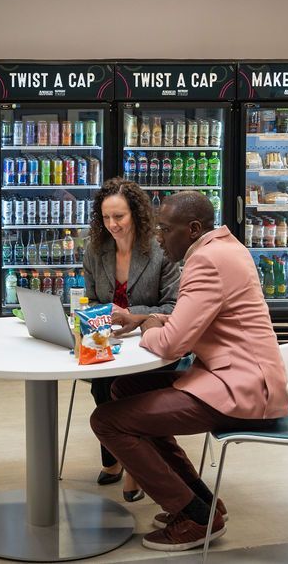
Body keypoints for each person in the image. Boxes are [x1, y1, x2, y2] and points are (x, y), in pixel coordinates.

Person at [91, 191, 288, 552]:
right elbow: (196, 317)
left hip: (243, 388)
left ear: (194, 228)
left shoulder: (206, 262)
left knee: (106, 421)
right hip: (240, 374)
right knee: (127, 388)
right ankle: (201, 500)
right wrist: (144, 319)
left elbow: (171, 345)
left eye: (166, 229)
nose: (160, 237)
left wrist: (150, 326)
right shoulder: (224, 248)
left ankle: (194, 516)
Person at [82, 178, 179, 501]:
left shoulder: (161, 251)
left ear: (136, 214)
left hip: (151, 342)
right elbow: (92, 298)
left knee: (124, 387)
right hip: (109, 341)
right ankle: (118, 458)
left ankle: (129, 465)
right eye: (106, 218)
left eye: (119, 217)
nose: (112, 225)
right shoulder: (96, 249)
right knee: (101, 382)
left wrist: (129, 314)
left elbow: (172, 307)